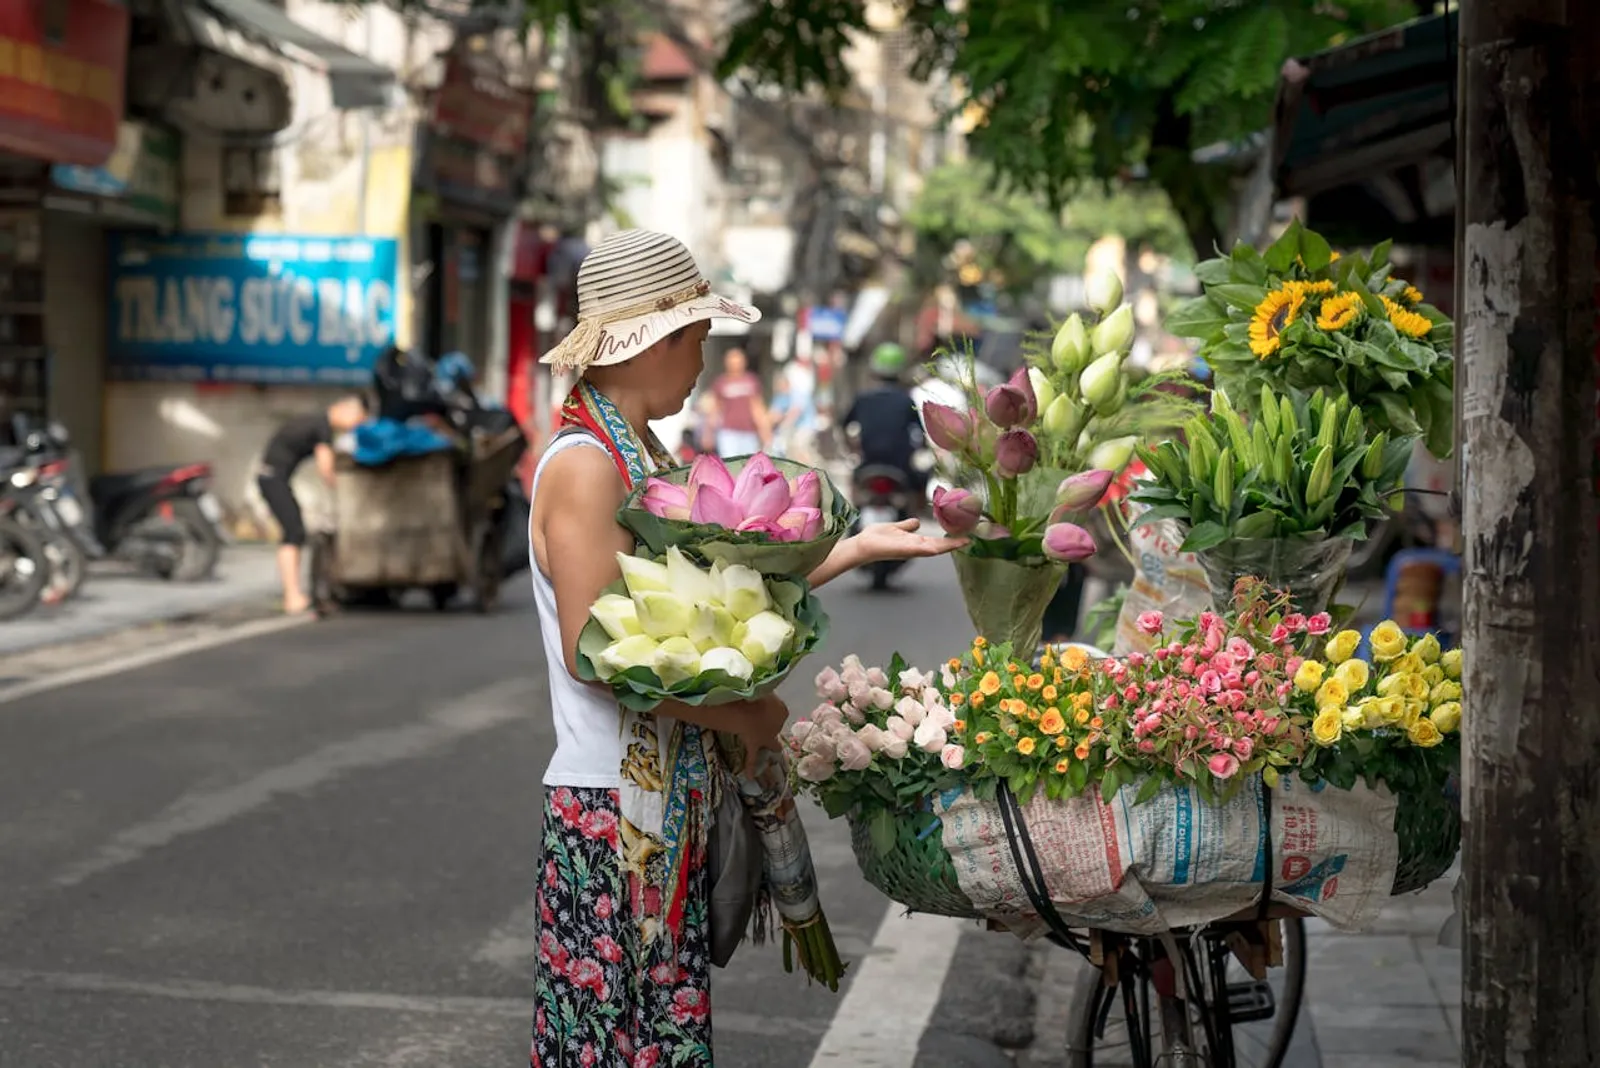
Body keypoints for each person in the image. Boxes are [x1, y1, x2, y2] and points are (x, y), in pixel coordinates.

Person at [527, 230, 962, 1067]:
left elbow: (725, 603)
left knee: (659, 1037)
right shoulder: (586, 467)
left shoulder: (641, 454)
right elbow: (596, 655)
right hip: (612, 816)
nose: (701, 361)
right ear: (648, 341)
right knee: (616, 1045)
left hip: (658, 809)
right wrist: (746, 708)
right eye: (694, 339)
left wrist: (860, 549)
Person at [256, 394, 369, 614]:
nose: (354, 427)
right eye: (357, 420)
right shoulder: (322, 427)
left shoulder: (316, 421)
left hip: (274, 477)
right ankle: (292, 596)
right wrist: (343, 492)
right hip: (272, 478)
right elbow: (325, 467)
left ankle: (294, 593)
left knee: (295, 532)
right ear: (346, 410)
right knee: (294, 532)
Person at [842, 342, 927, 498]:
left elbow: (845, 426)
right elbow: (920, 434)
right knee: (921, 483)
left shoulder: (862, 399)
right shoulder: (906, 400)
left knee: (854, 491)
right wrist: (921, 450)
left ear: (874, 369)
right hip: (901, 466)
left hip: (868, 462)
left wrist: (853, 449)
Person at [707, 347, 770, 457]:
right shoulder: (721, 382)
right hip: (728, 432)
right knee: (730, 466)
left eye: (738, 362)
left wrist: (765, 431)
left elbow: (757, 407)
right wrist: (708, 432)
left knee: (748, 467)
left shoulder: (751, 381)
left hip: (749, 432)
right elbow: (715, 408)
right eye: (732, 362)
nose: (735, 365)